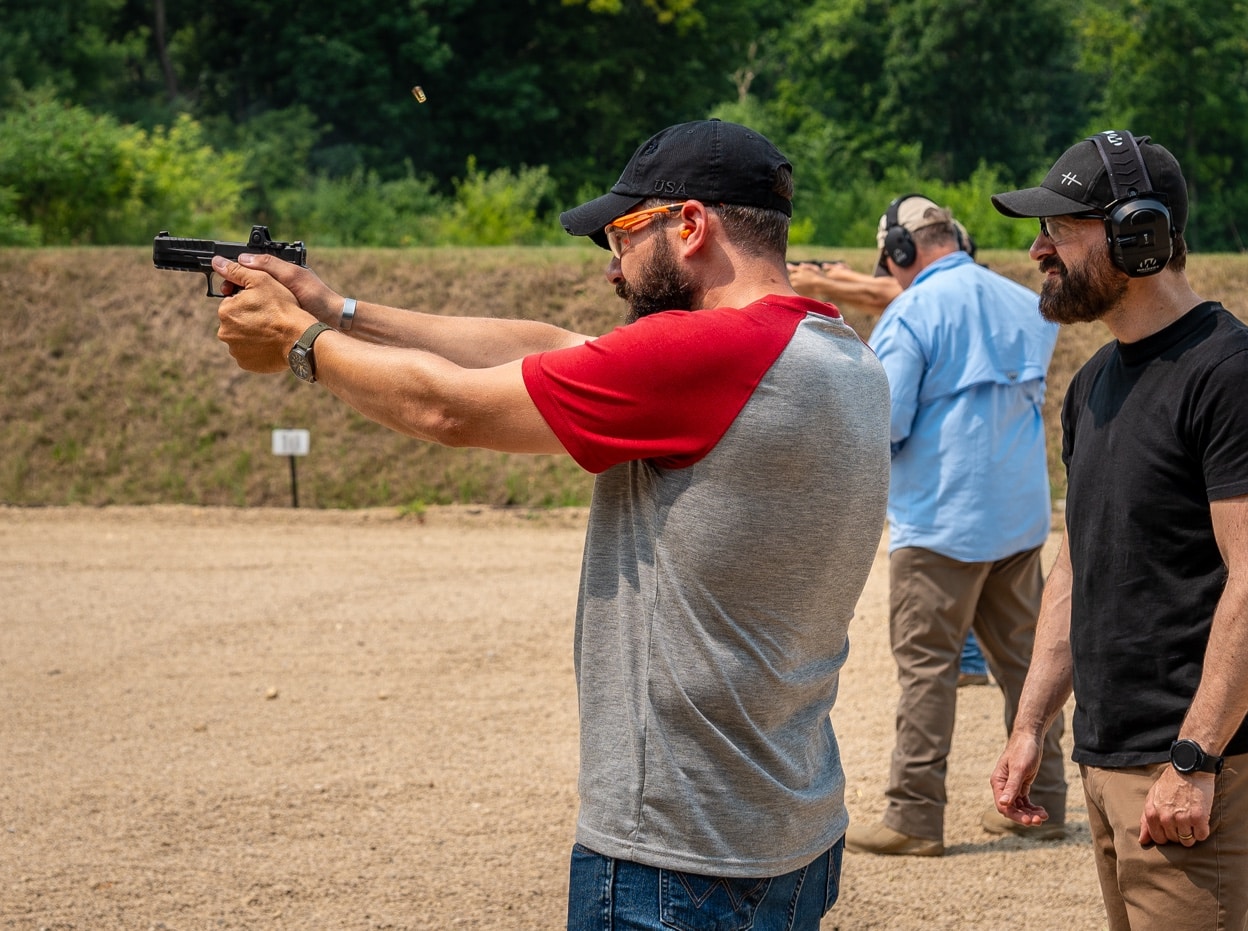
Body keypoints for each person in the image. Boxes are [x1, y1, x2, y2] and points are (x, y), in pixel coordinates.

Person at [210, 118, 891, 931]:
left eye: (621, 234)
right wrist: (339, 308)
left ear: (691, 224)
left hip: (677, 847)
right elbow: (546, 345)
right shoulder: (830, 349)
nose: (612, 266)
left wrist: (299, 341)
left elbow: (447, 409)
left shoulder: (705, 355)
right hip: (788, 823)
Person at [988, 131, 1248, 930]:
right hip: (1105, 755)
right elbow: (1077, 566)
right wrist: (1032, 725)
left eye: (1060, 229)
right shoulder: (1093, 380)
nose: (1038, 249)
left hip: (1191, 767)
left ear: (1141, 234)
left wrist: (1193, 759)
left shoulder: (1238, 377)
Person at [843, 194, 1066, 858]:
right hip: (1018, 518)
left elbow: (884, 422)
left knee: (927, 670)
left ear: (901, 253)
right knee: (1026, 667)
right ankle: (1043, 801)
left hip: (940, 523)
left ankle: (913, 816)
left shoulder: (910, 311)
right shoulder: (1024, 301)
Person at [787, 231, 993, 690]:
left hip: (946, 455)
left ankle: (970, 659)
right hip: (974, 452)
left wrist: (827, 283)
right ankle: (973, 658)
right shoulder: (964, 291)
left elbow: (889, 291)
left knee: (953, 556)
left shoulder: (941, 290)